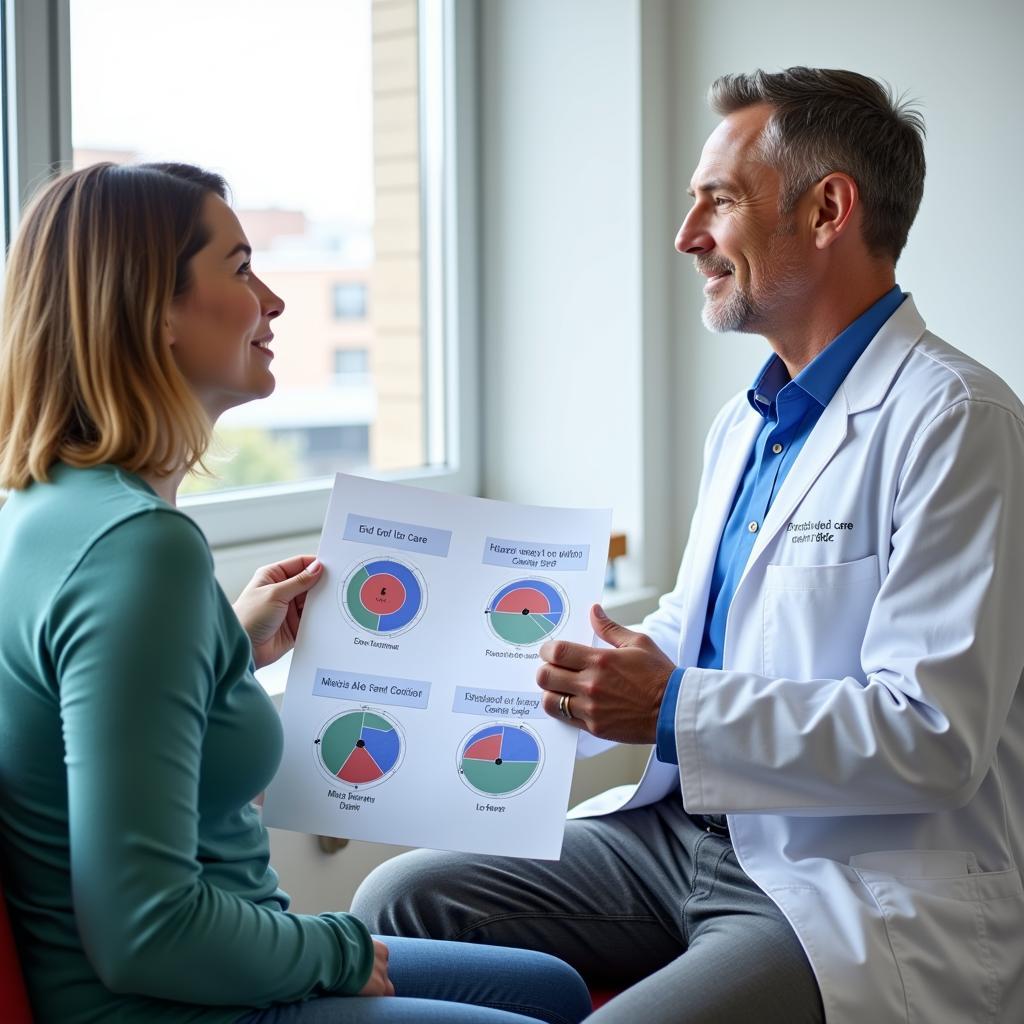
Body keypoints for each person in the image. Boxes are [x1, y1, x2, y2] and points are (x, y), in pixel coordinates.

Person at [351, 67, 1024, 1024]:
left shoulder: (957, 420)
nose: (687, 237)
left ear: (829, 209)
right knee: (403, 903)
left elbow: (933, 737)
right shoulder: (747, 423)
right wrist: (557, 669)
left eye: (719, 201)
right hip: (681, 835)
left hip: (843, 873)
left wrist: (668, 706)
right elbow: (699, 630)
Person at [0, 162, 592, 1024]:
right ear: (152, 310)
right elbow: (145, 930)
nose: (271, 301)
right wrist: (339, 952)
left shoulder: (48, 510)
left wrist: (228, 645)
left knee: (553, 987)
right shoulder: (138, 552)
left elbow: (96, 711)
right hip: (176, 1006)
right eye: (240, 269)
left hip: (200, 968)